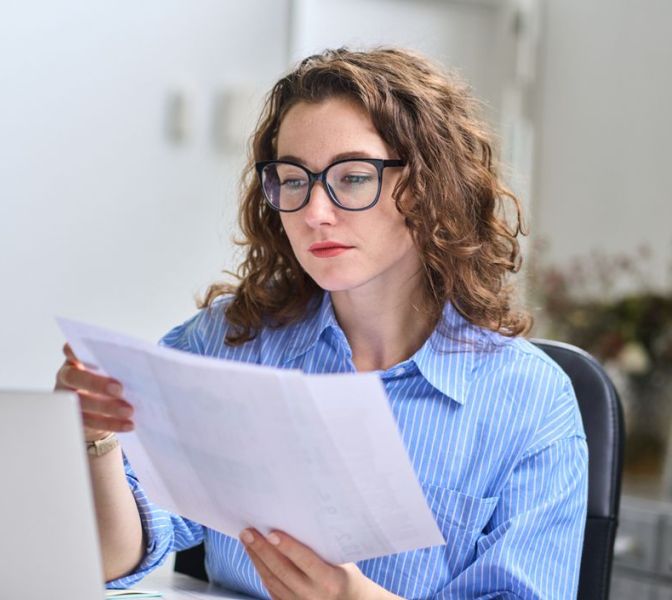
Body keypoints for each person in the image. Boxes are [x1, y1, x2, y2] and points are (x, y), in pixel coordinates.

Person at [55, 47, 587, 599]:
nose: (314, 212)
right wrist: (96, 443)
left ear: (430, 187)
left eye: (353, 177)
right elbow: (116, 561)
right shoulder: (226, 340)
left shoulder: (532, 401)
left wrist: (351, 598)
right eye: (292, 179)